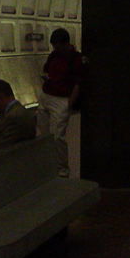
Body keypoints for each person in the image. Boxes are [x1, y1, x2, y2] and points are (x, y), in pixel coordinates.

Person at [37, 28, 83, 177]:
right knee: (43, 134)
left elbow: (78, 83)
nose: (55, 49)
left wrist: (69, 103)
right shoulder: (54, 56)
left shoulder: (76, 59)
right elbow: (46, 71)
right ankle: (47, 165)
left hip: (62, 99)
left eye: (58, 46)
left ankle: (62, 169)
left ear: (66, 44)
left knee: (58, 136)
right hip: (46, 96)